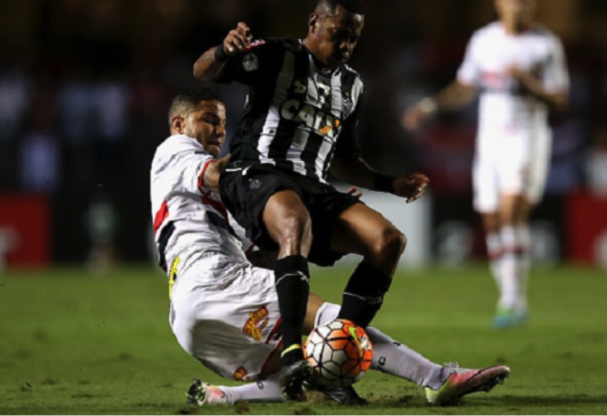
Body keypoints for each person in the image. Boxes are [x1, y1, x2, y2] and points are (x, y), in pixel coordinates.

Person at [150, 86, 510, 407]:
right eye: (209, 120)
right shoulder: (176, 149)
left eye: (223, 122)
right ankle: (436, 378)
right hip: (216, 279)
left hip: (188, 315)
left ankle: (222, 396)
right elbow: (216, 173)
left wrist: (317, 216)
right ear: (179, 124)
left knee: (302, 369)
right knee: (334, 324)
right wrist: (269, 159)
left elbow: (263, 254)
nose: (219, 130)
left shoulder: (215, 202)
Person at [193, 0, 429, 397]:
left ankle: (334, 358)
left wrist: (392, 184)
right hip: (258, 172)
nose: (345, 46)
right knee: (294, 220)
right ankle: (292, 352)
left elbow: (345, 159)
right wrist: (223, 50)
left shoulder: (353, 86)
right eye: (338, 34)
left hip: (313, 185)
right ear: (313, 24)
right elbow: (203, 71)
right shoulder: (277, 55)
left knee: (389, 240)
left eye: (353, 38)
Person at [403, 0, 569, 328]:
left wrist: (530, 84)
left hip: (527, 136)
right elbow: (465, 87)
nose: (517, 5)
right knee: (492, 218)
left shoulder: (545, 44)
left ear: (532, 4)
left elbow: (560, 98)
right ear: (499, 2)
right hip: (490, 140)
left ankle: (513, 300)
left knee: (511, 212)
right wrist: (430, 106)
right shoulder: (484, 40)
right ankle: (508, 294)